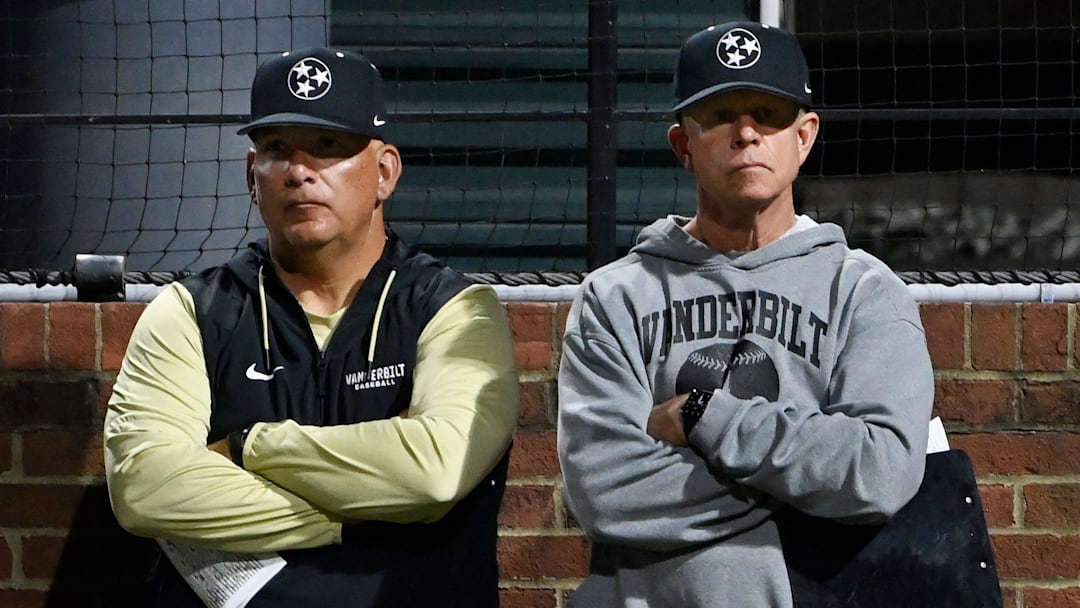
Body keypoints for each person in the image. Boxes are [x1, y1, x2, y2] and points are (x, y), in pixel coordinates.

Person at [104, 47, 520, 607]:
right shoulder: (191, 311)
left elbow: (435, 470)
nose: (300, 171)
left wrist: (250, 447)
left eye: (329, 148)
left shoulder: (452, 309)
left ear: (384, 172)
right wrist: (358, 514)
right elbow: (145, 488)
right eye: (277, 150)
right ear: (254, 176)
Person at [556, 21, 934, 607]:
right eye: (722, 114)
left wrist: (705, 415)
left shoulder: (863, 292)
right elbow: (605, 493)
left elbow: (879, 473)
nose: (748, 133)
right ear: (684, 144)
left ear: (804, 137)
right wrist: (809, 483)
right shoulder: (615, 299)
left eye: (769, 114)